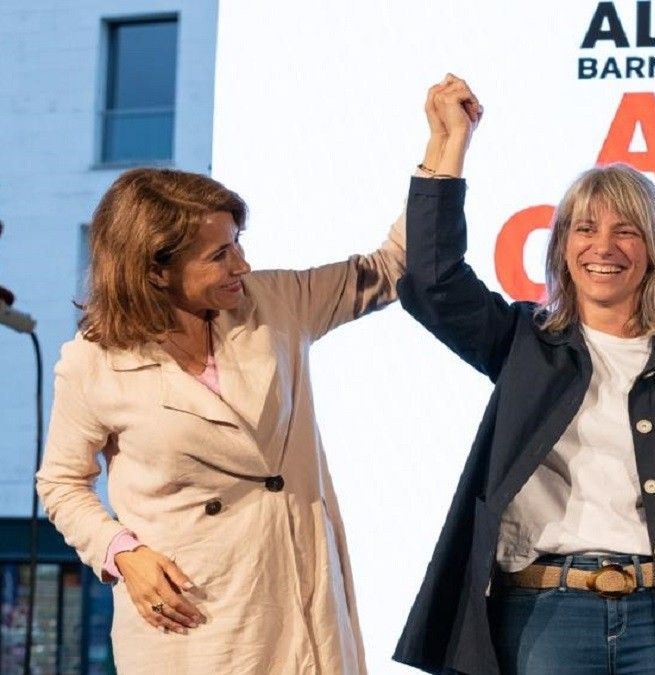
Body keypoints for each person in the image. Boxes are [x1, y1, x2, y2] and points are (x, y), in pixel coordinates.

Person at [392, 75, 655, 675]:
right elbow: (433, 283)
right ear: (561, 245)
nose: (603, 247)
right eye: (585, 229)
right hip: (544, 613)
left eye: (625, 230)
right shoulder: (525, 342)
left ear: (653, 248)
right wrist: (447, 146)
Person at [35, 167, 407, 673]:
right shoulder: (93, 361)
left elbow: (393, 266)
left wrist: (444, 150)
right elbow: (61, 483)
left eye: (237, 243)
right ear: (154, 270)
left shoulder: (275, 304)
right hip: (192, 619)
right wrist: (122, 552)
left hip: (297, 602)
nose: (242, 264)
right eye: (219, 255)